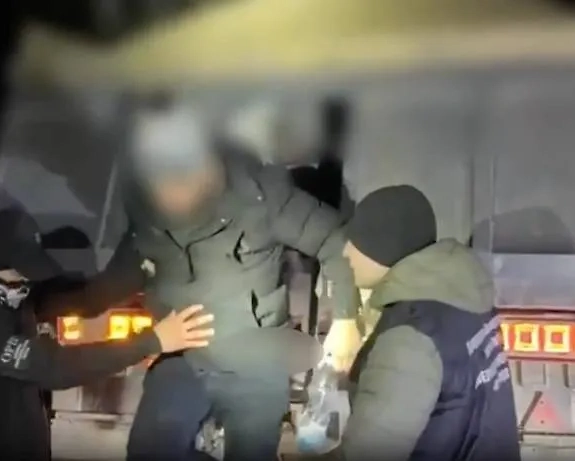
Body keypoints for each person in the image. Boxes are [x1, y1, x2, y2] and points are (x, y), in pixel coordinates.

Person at [45, 99, 362, 461]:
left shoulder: (262, 197)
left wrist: (346, 320)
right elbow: (106, 289)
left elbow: (335, 242)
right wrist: (45, 305)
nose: (170, 192)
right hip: (184, 360)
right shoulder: (147, 222)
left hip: (255, 364)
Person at [0, 209, 214, 461]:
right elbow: (50, 367)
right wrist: (153, 341)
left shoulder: (7, 293)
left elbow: (86, 300)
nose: (26, 285)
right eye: (19, 276)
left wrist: (142, 253)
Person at [340, 185, 521, 461]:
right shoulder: (461, 299)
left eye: (356, 241)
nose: (345, 252)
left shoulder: (409, 338)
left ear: (384, 247)